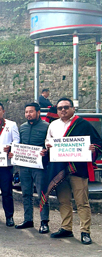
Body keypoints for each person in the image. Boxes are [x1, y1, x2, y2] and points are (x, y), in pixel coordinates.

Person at [44, 97, 102, 245]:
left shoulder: (83, 124)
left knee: (82, 202)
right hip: (59, 169)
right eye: (60, 108)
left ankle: (85, 231)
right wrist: (48, 147)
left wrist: (93, 148)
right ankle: (66, 228)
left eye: (66, 107)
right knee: (63, 201)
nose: (63, 110)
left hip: (78, 169)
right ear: (57, 110)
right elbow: (47, 142)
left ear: (73, 109)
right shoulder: (53, 125)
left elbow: (97, 142)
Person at [14, 102, 50, 233]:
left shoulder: (47, 126)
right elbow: (19, 145)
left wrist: (46, 151)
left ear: (38, 112)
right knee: (26, 193)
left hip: (40, 166)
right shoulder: (22, 127)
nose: (28, 114)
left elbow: (50, 144)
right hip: (24, 166)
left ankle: (44, 221)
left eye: (31, 112)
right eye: (26, 112)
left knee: (42, 193)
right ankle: (28, 219)